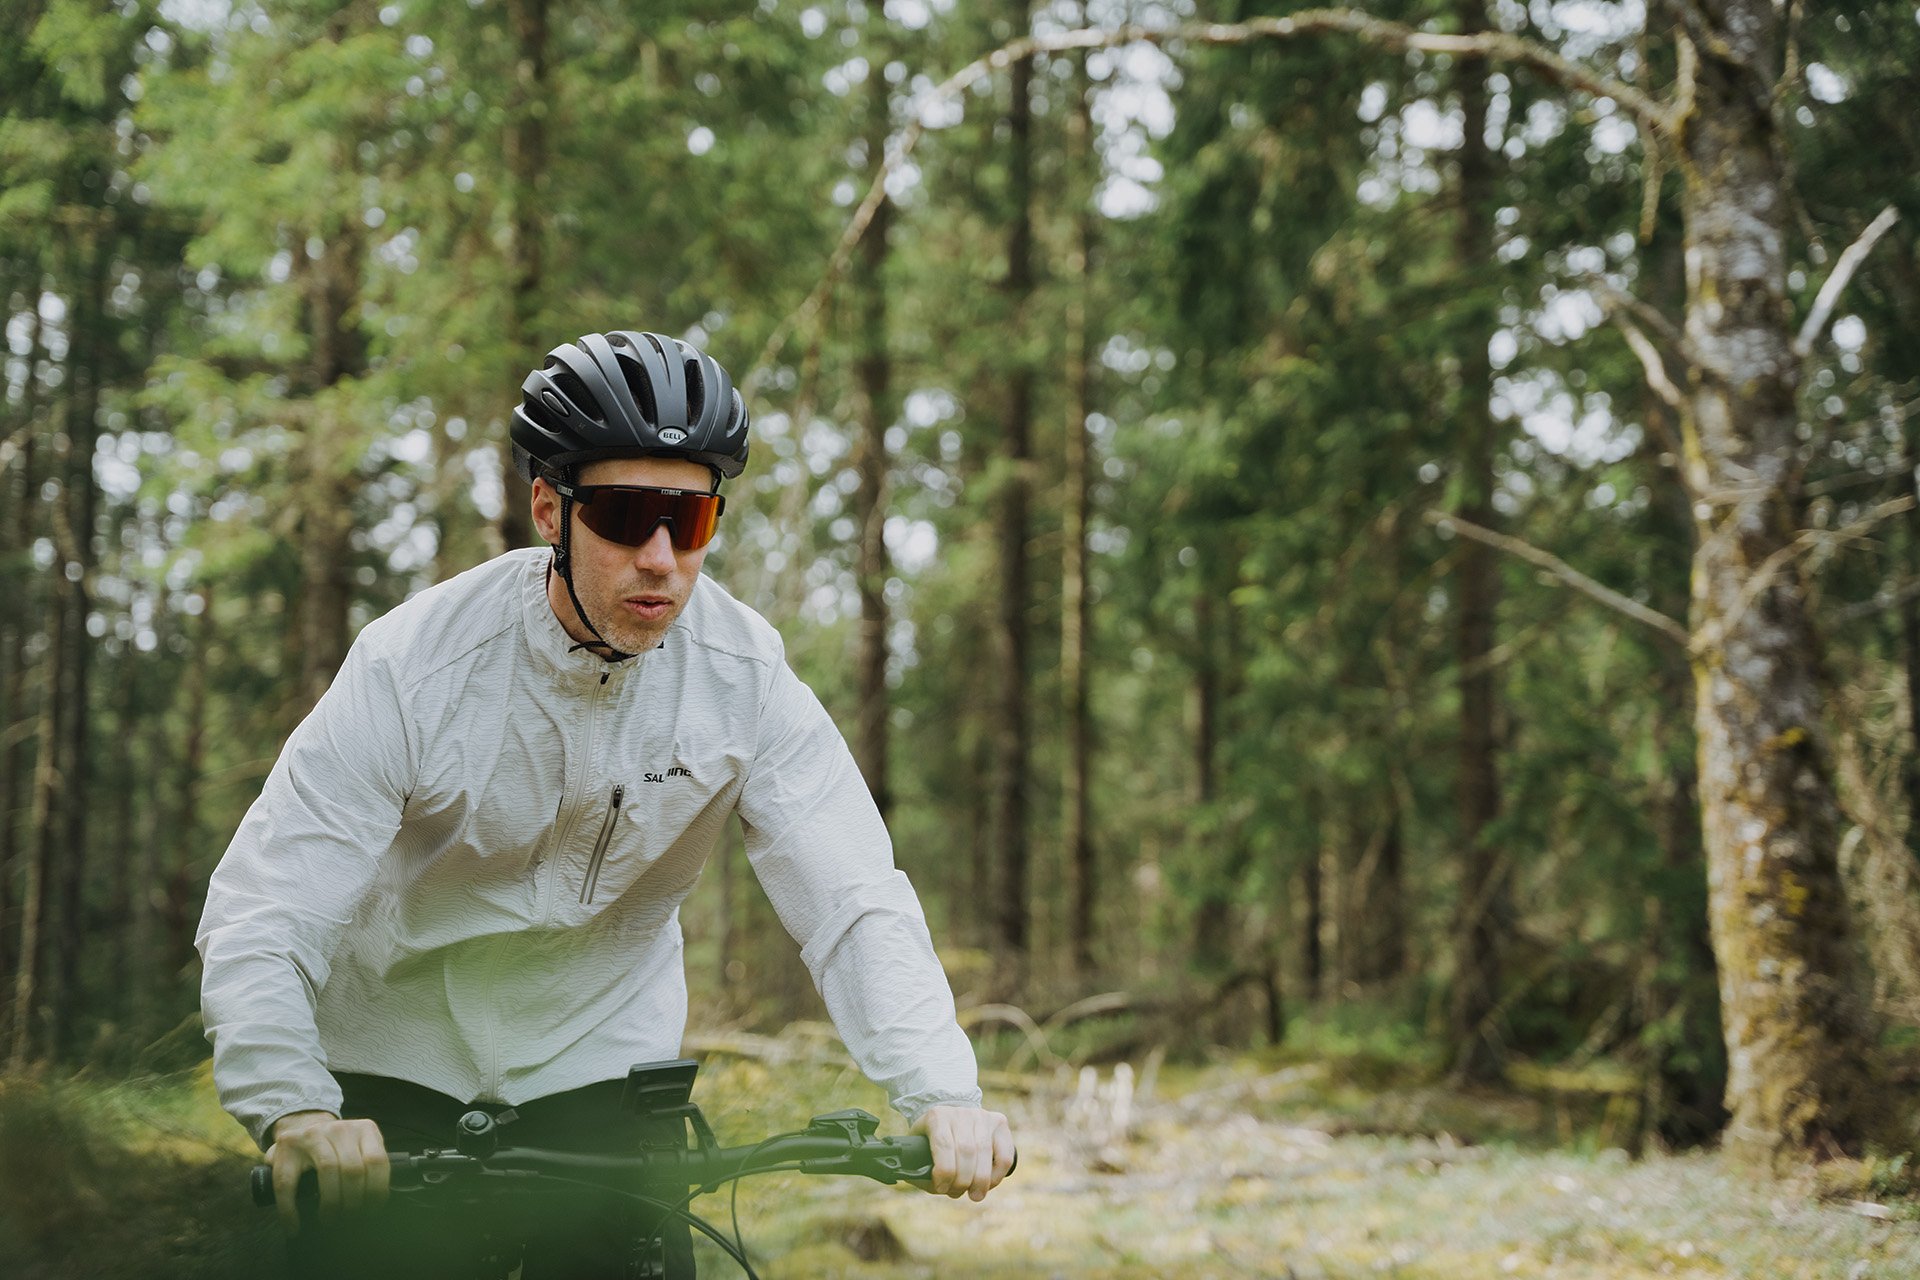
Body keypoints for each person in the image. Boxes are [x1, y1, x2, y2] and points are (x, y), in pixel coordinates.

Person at [196, 330, 1015, 1277]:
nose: (661, 558)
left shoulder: (745, 678)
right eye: (626, 516)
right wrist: (293, 1105)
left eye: (693, 520)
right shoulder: (413, 666)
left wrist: (942, 1091)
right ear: (551, 508)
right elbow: (268, 908)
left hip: (600, 1086)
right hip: (389, 1084)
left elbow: (853, 899)